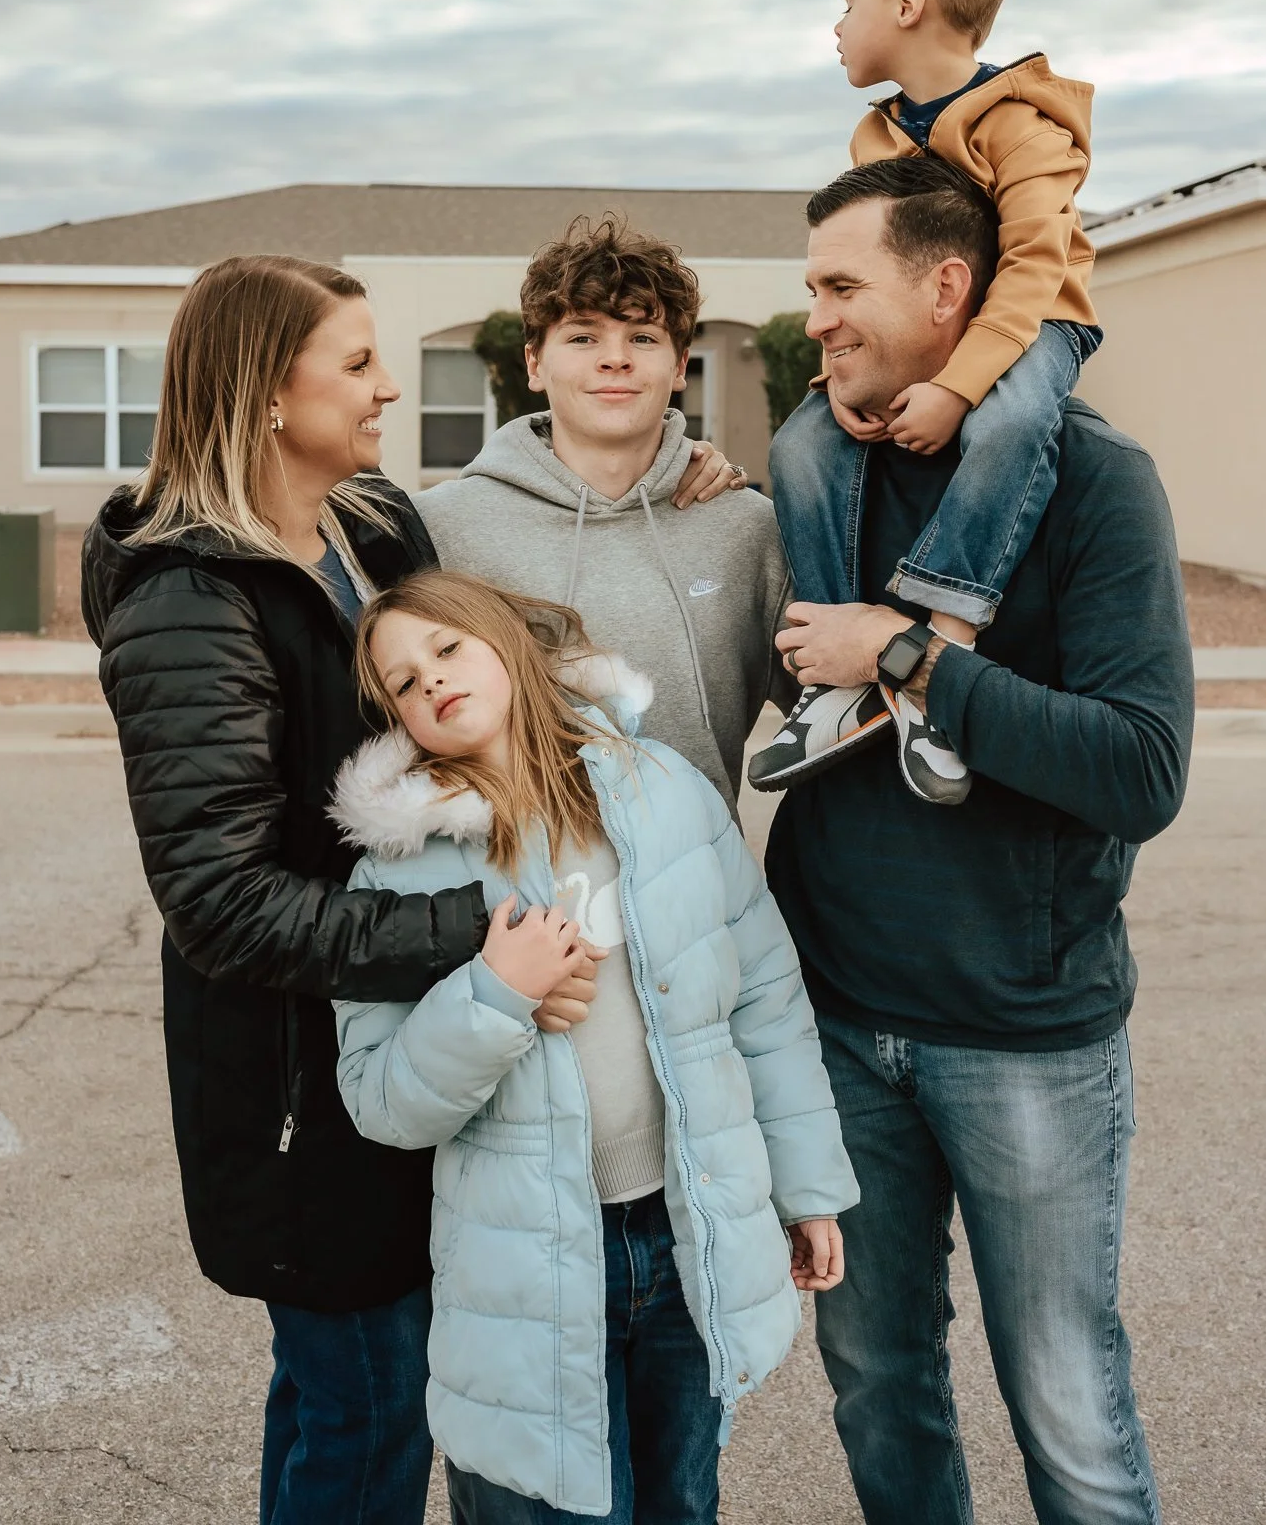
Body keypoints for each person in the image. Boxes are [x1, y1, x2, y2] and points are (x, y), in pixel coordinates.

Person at [762, 159, 1194, 1524]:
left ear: (949, 290)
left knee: (1068, 1414)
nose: (815, 319)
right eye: (810, 290)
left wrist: (905, 656)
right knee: (879, 1391)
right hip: (836, 1026)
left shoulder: (1093, 482)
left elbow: (1140, 767)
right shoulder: (817, 474)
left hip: (1024, 1036)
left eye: (843, 287)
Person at [80, 254, 491, 1525]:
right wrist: (476, 932)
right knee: (364, 1407)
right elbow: (220, 898)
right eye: (358, 361)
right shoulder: (189, 598)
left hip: (400, 1052)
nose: (386, 388)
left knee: (337, 1402)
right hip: (298, 1091)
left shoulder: (373, 530)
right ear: (268, 389)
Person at [329, 569, 859, 1524]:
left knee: (678, 1503)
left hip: (685, 1230)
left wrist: (807, 1186)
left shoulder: (664, 792)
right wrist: (497, 995)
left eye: (446, 649)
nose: (432, 683)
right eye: (403, 683)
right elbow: (381, 1100)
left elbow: (766, 1006)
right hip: (526, 1266)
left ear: (507, 642)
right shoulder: (397, 871)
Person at [752, 0, 1102, 805]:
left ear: (906, 3)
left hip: (1034, 327)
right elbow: (868, 279)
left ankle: (937, 649)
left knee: (1014, 420)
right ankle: (839, 677)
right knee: (799, 444)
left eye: (846, 0)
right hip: (930, 346)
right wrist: (842, 377)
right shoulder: (879, 136)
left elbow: (1033, 265)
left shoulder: (1022, 124)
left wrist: (959, 385)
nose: (835, 25)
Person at [416, 214, 794, 809]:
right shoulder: (438, 528)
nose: (615, 359)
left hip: (701, 881)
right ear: (535, 365)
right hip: (513, 892)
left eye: (643, 338)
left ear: (679, 367)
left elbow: (830, 713)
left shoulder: (748, 527)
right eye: (583, 337)